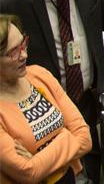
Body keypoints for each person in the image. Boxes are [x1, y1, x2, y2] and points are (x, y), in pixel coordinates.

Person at [0, 14, 92, 183]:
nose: (24, 55)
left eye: (23, 44)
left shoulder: (39, 75)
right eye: (13, 52)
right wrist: (65, 137)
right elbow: (27, 173)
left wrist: (37, 159)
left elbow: (85, 138)